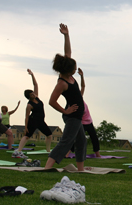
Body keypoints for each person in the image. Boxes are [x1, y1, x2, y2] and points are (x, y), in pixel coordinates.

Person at [45, 23, 86, 171]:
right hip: (72, 115)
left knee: (81, 142)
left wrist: (66, 35)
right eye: (74, 69)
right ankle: (47, 167)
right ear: (69, 70)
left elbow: (67, 51)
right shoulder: (62, 83)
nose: (75, 70)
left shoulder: (67, 73)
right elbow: (51, 101)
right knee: (67, 141)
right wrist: (65, 111)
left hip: (77, 116)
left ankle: (80, 169)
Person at [12, 69, 53, 158]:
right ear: (29, 97)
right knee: (27, 136)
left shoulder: (37, 98)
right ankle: (18, 151)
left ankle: (48, 151)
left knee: (49, 135)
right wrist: (26, 127)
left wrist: (32, 75)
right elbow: (26, 117)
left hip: (41, 121)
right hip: (33, 121)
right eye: (31, 94)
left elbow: (35, 85)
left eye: (33, 93)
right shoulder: (29, 105)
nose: (33, 94)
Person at [66, 68, 101, 158]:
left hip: (89, 121)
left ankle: (97, 154)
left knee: (94, 137)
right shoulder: (73, 103)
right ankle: (68, 152)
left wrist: (81, 76)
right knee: (75, 138)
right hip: (81, 123)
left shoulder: (80, 97)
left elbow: (83, 87)